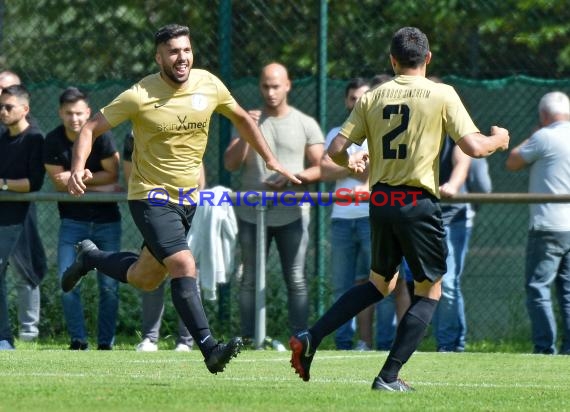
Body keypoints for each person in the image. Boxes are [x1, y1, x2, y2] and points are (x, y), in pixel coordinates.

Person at [62, 24, 299, 373]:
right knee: (184, 265)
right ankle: (209, 347)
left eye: (186, 50)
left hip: (188, 200)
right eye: (173, 51)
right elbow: (90, 128)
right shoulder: (139, 94)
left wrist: (270, 158)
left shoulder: (209, 84)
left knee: (146, 277)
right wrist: (78, 167)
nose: (182, 57)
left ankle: (91, 258)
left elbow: (242, 119)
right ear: (158, 57)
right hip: (150, 197)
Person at [289, 26, 509, 391]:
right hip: (415, 202)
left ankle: (311, 336)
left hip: (381, 201)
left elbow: (336, 150)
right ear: (428, 58)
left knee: (380, 283)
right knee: (430, 290)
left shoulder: (372, 97)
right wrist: (498, 140)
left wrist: (352, 161)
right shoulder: (442, 93)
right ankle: (389, 376)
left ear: (392, 60)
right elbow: (474, 147)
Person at [224, 62, 324, 344]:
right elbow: (230, 164)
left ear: (288, 85)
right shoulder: (247, 121)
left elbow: (321, 168)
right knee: (249, 278)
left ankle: (299, 339)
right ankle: (247, 338)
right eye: (266, 86)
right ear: (260, 86)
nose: (270, 92)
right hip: (251, 214)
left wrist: (293, 178)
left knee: (296, 278)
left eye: (276, 86)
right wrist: (247, 132)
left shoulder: (305, 123)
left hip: (292, 214)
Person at [43, 87, 122, 350]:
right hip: (72, 223)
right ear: (60, 113)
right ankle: (78, 341)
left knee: (109, 287)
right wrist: (92, 177)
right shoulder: (52, 140)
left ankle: (105, 343)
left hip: (107, 222)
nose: (74, 118)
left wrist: (79, 177)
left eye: (79, 113)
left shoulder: (102, 136)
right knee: (67, 283)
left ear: (88, 112)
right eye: (68, 113)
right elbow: (57, 182)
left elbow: (114, 175)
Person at [506, 91, 570, 355]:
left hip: (548, 226)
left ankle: (545, 347)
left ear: (543, 116)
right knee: (567, 291)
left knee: (538, 287)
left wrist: (534, 133)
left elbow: (513, 161)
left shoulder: (544, 136)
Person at [321, 77, 380, 351]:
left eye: (363, 98)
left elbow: (374, 171)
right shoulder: (335, 133)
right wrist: (352, 163)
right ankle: (344, 341)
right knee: (342, 286)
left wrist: (341, 160)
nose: (358, 103)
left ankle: (383, 343)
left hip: (371, 218)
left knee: (381, 285)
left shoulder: (380, 132)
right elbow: (323, 170)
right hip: (342, 220)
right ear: (347, 101)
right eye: (353, 98)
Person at [123, 131, 194, 352]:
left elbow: (197, 174)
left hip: (185, 209)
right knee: (152, 274)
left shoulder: (184, 129)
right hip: (155, 211)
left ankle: (186, 340)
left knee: (186, 272)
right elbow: (130, 178)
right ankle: (150, 338)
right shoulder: (133, 136)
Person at [0, 71, 47, 344]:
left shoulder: (35, 138)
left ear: (24, 108)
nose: (3, 110)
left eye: (8, 105)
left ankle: (28, 333)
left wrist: (3, 184)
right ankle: (4, 337)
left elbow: (34, 182)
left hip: (20, 216)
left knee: (26, 269)